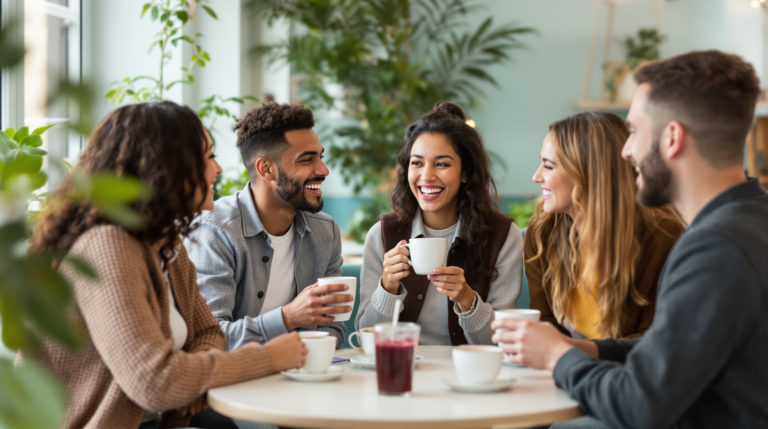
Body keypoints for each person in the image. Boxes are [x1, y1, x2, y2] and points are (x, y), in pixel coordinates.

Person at [493, 50, 768, 428]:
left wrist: (559, 357)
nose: (625, 151)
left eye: (634, 131)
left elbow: (640, 405)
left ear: (672, 138)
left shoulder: (714, 249)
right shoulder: (750, 221)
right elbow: (669, 354)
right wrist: (584, 349)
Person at [29, 101, 306, 429]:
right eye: (208, 157)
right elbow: (155, 382)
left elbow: (207, 332)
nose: (218, 169)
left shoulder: (166, 242)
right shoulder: (108, 244)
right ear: (166, 168)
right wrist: (268, 358)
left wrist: (188, 385)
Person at [185, 102, 352, 350]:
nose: (323, 169)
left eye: (320, 156)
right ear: (266, 169)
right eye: (307, 160)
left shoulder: (325, 231)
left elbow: (333, 328)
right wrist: (287, 318)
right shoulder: (215, 232)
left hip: (301, 379)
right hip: (235, 384)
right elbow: (211, 337)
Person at [356, 101, 523, 345]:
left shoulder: (503, 236)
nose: (427, 176)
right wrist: (388, 287)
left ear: (466, 172)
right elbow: (364, 339)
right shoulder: (382, 235)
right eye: (417, 163)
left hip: (472, 375)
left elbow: (501, 342)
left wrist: (468, 301)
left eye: (442, 164)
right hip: (403, 369)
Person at [526, 111, 683, 340]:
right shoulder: (542, 233)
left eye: (548, 166)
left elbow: (655, 341)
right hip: (566, 369)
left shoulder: (663, 237)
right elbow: (546, 326)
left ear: (586, 174)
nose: (536, 176)